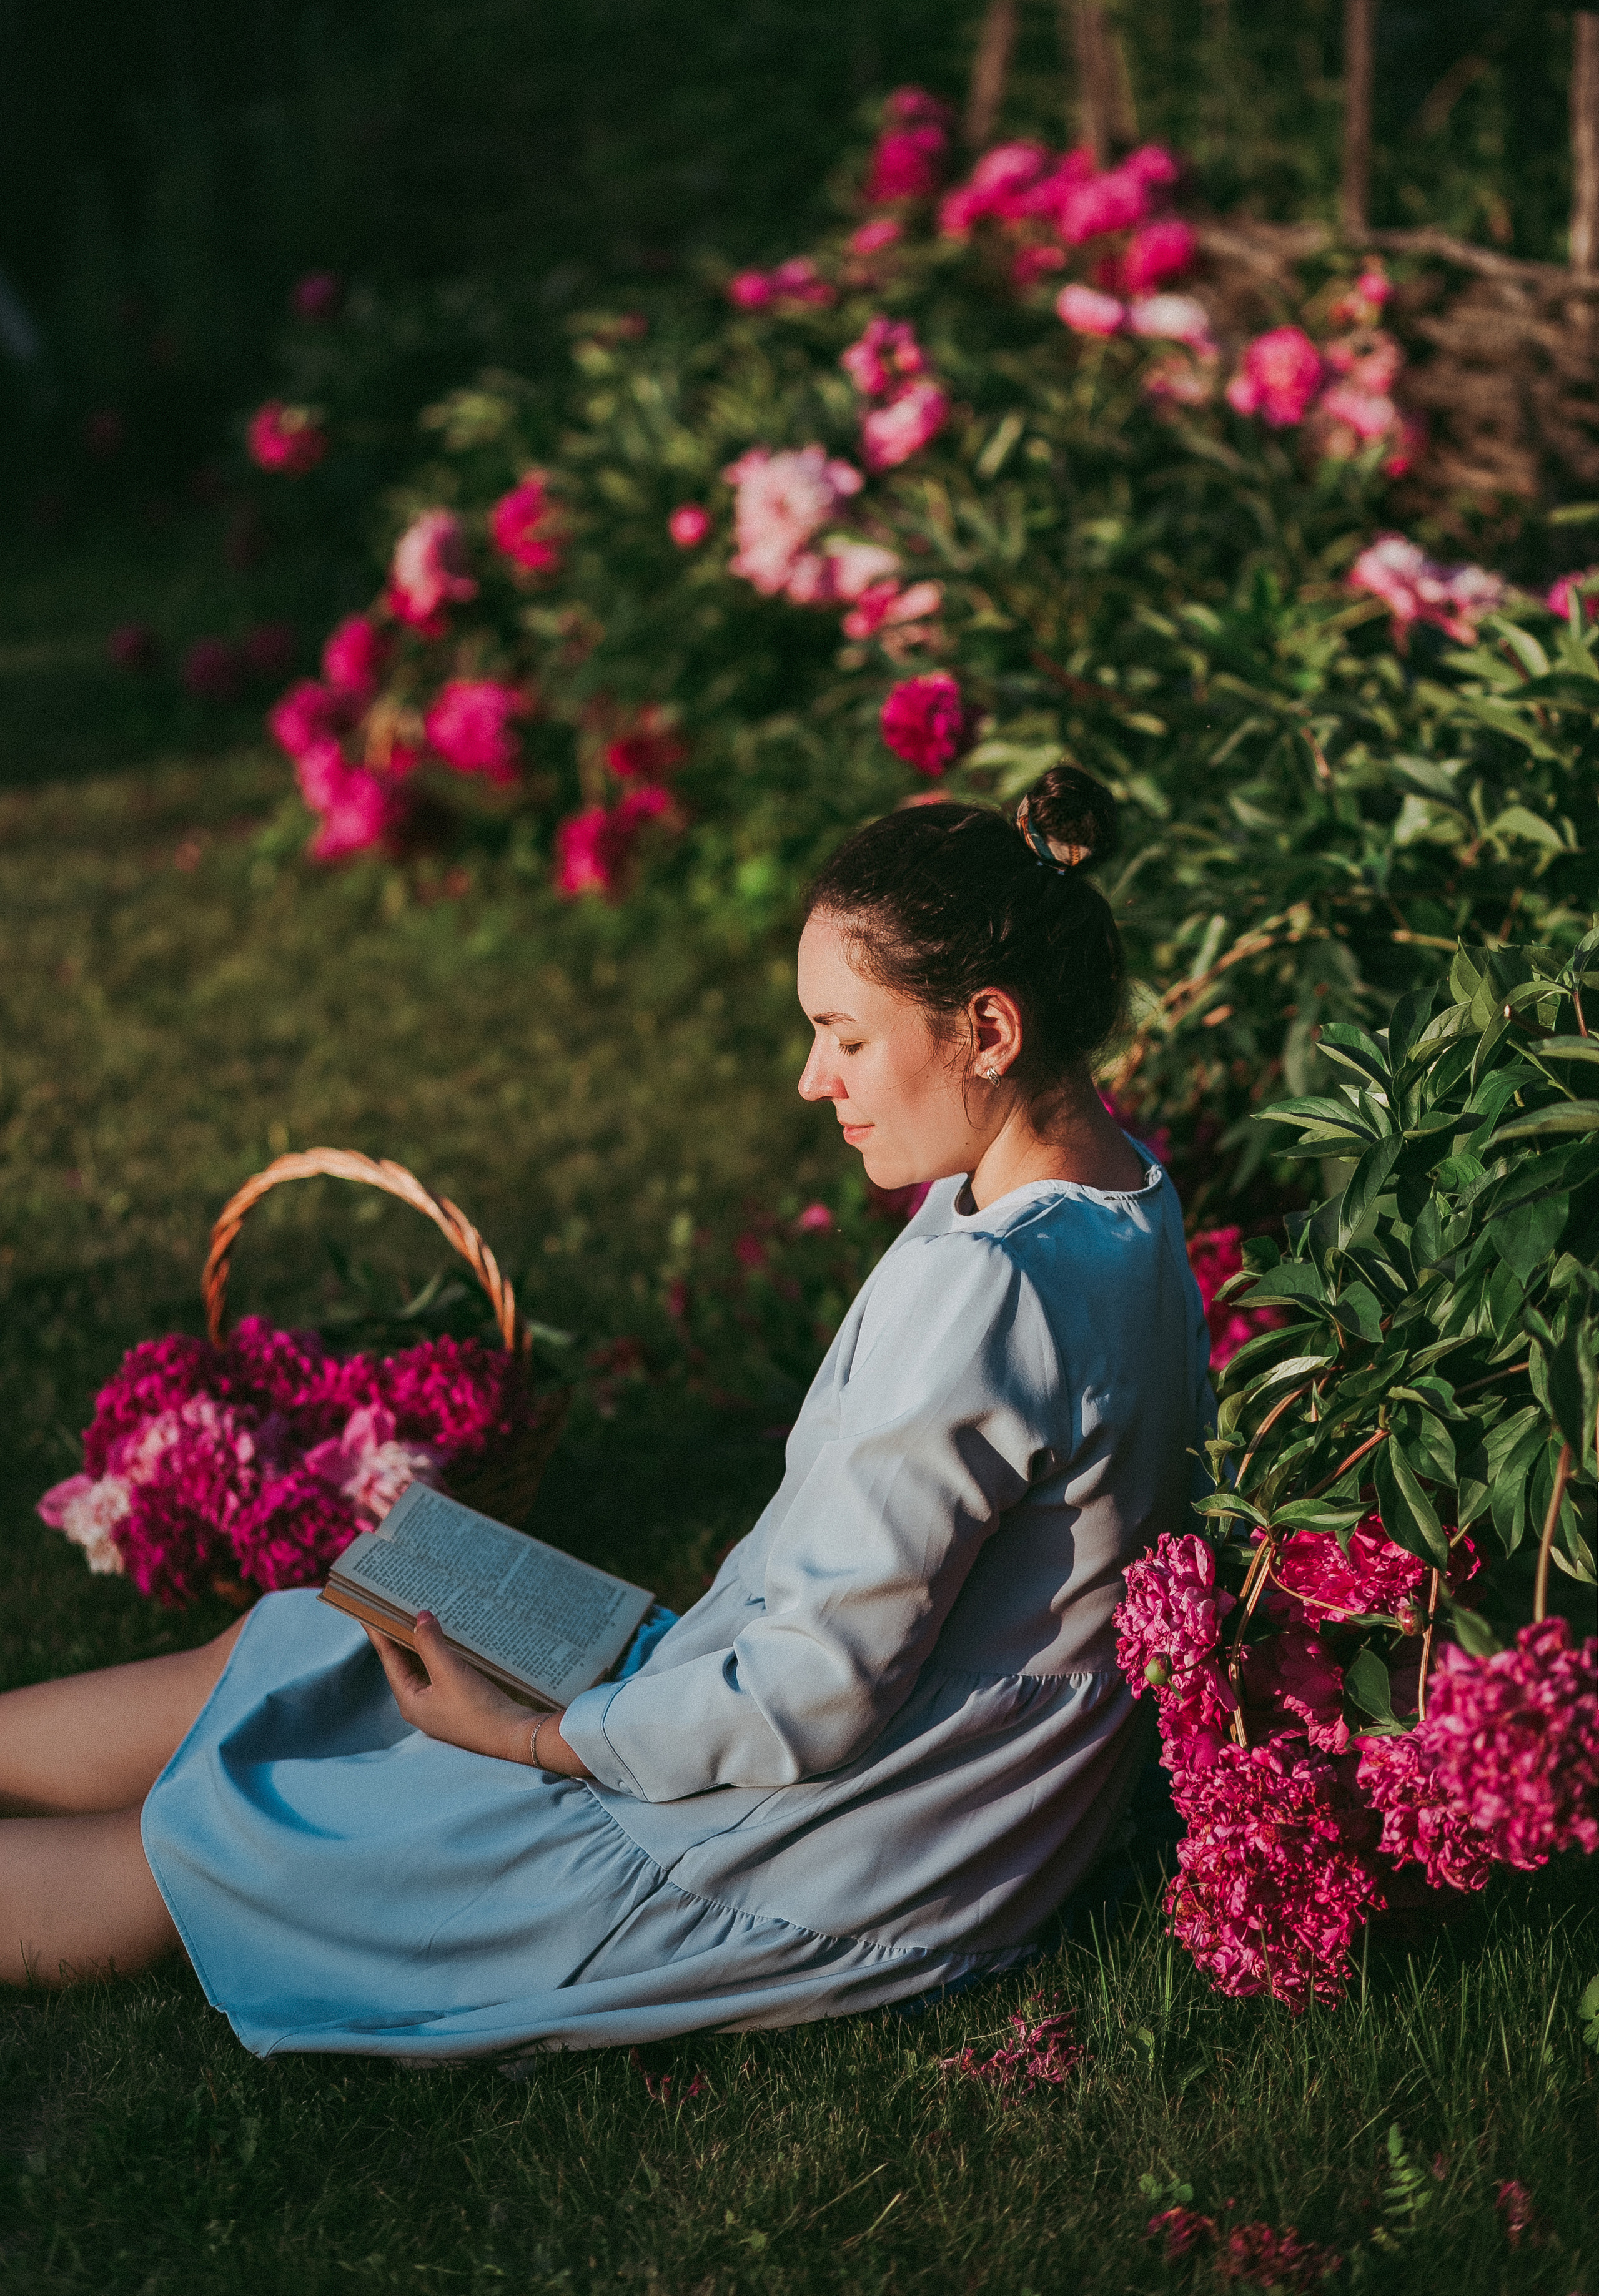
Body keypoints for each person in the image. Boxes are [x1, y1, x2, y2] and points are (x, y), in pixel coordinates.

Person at [0, 766, 1212, 2058]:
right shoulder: (1114, 1196)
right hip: (864, 1782)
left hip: (808, 1857)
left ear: (986, 1029)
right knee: (319, 1641)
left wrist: (534, 1737)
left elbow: (814, 1693)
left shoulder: (992, 1292)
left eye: (847, 1036)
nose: (815, 1080)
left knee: (239, 1847)